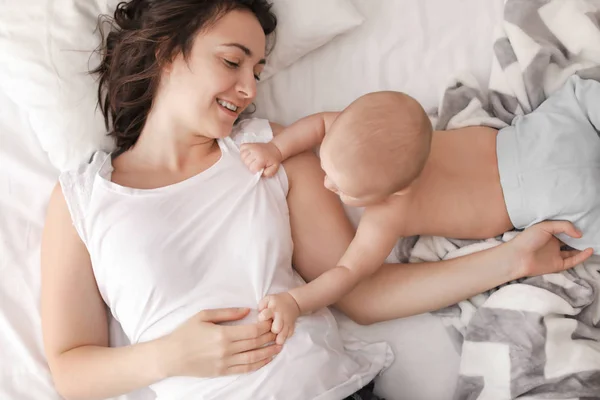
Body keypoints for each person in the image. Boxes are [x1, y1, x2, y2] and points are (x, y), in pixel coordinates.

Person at [40, 1, 592, 399]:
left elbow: (360, 290)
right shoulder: (82, 201)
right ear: (165, 52)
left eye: (257, 71)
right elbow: (70, 371)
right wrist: (169, 357)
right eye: (232, 62)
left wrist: (512, 259)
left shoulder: (269, 152)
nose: (250, 88)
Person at [240, 83, 597, 343]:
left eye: (344, 188)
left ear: (397, 192)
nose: (327, 184)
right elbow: (320, 125)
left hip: (545, 197)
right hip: (540, 139)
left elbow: (347, 274)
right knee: (583, 99)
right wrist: (276, 148)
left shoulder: (389, 213)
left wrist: (296, 301)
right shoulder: (376, 135)